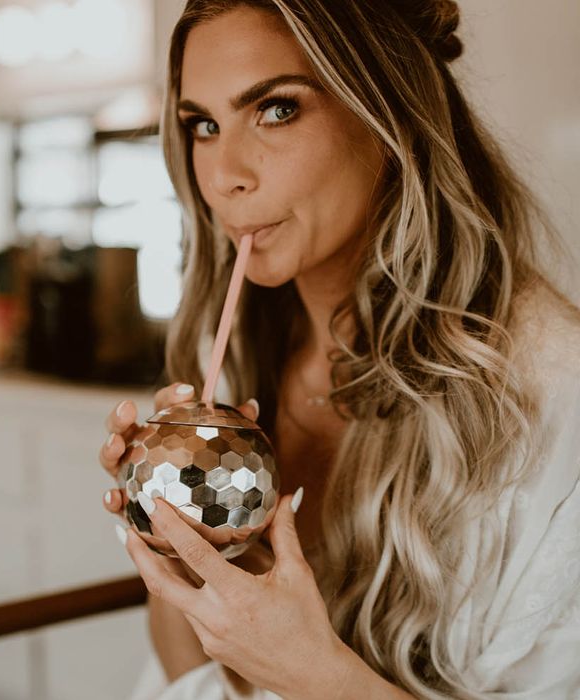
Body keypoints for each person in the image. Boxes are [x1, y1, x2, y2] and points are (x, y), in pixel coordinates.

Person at [98, 1, 580, 697]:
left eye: (276, 110)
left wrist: (311, 672)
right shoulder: (228, 357)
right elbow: (192, 676)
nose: (224, 174)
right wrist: (174, 539)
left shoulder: (555, 400)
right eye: (202, 125)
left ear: (388, 113)